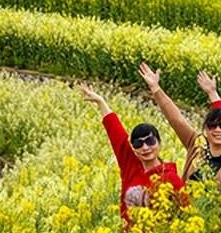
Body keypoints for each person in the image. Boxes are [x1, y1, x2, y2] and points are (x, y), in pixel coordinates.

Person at [79, 83, 185, 222]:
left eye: (150, 141)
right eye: (138, 144)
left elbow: (185, 213)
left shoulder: (171, 179)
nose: (145, 148)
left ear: (159, 143)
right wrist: (101, 101)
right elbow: (116, 133)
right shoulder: (130, 165)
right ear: (133, 148)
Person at [138, 62, 221, 187]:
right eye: (212, 125)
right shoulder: (197, 145)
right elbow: (176, 119)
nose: (218, 130)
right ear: (206, 130)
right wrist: (155, 88)